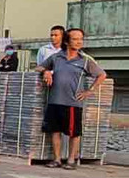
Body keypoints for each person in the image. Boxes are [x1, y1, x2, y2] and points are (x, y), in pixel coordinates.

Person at [35, 28, 106, 170]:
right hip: (55, 100)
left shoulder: (85, 60)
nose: (79, 42)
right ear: (67, 41)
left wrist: (89, 91)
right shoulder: (56, 57)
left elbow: (102, 75)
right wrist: (46, 71)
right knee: (55, 131)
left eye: (81, 39)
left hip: (73, 102)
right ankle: (57, 159)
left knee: (74, 133)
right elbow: (39, 67)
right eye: (75, 39)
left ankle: (71, 160)